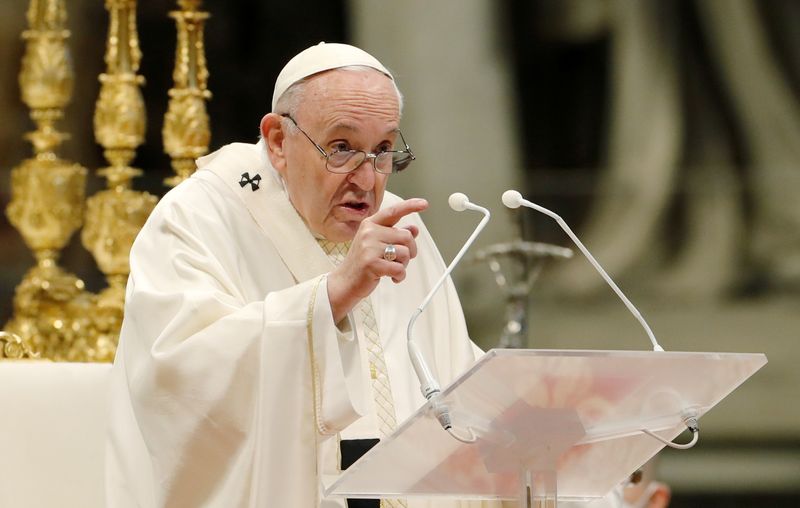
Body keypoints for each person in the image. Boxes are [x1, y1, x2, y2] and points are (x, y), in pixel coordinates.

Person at [106, 42, 632, 508]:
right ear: (276, 141)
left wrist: (540, 426)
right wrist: (330, 297)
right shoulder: (200, 217)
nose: (366, 178)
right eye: (341, 147)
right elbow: (175, 375)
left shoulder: (400, 227)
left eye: (383, 151)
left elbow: (449, 374)